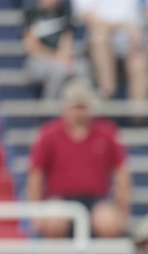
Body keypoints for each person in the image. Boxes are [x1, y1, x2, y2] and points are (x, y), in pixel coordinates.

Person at [26, 78, 130, 238]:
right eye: (76, 106)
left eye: (83, 107)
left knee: (109, 223)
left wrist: (122, 212)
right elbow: (36, 175)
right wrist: (36, 213)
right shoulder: (49, 134)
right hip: (60, 198)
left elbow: (122, 174)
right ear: (66, 107)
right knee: (53, 222)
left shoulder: (107, 133)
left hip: (97, 200)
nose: (79, 112)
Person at [72, 0, 148, 111]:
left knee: (140, 63)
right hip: (97, 47)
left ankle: (138, 118)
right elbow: (90, 18)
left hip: (132, 48)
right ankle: (108, 97)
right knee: (100, 39)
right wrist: (125, 27)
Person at [22, 0, 87, 100]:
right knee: (58, 71)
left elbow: (67, 42)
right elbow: (32, 48)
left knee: (82, 68)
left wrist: (63, 57)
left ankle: (79, 105)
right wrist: (55, 59)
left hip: (60, 58)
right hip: (37, 60)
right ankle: (50, 106)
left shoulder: (65, 13)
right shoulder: (31, 13)